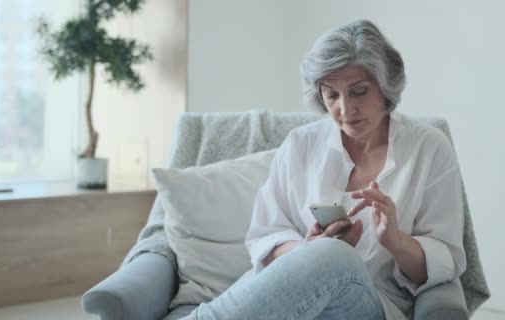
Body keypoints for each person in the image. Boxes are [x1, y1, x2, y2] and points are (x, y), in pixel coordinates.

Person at [182, 19, 466, 320]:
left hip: (375, 303)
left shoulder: (429, 147)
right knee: (308, 261)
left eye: (358, 91)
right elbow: (265, 238)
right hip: (302, 299)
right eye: (332, 94)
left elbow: (445, 260)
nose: (345, 109)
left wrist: (395, 240)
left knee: (332, 256)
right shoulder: (300, 144)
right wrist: (307, 249)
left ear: (385, 88)